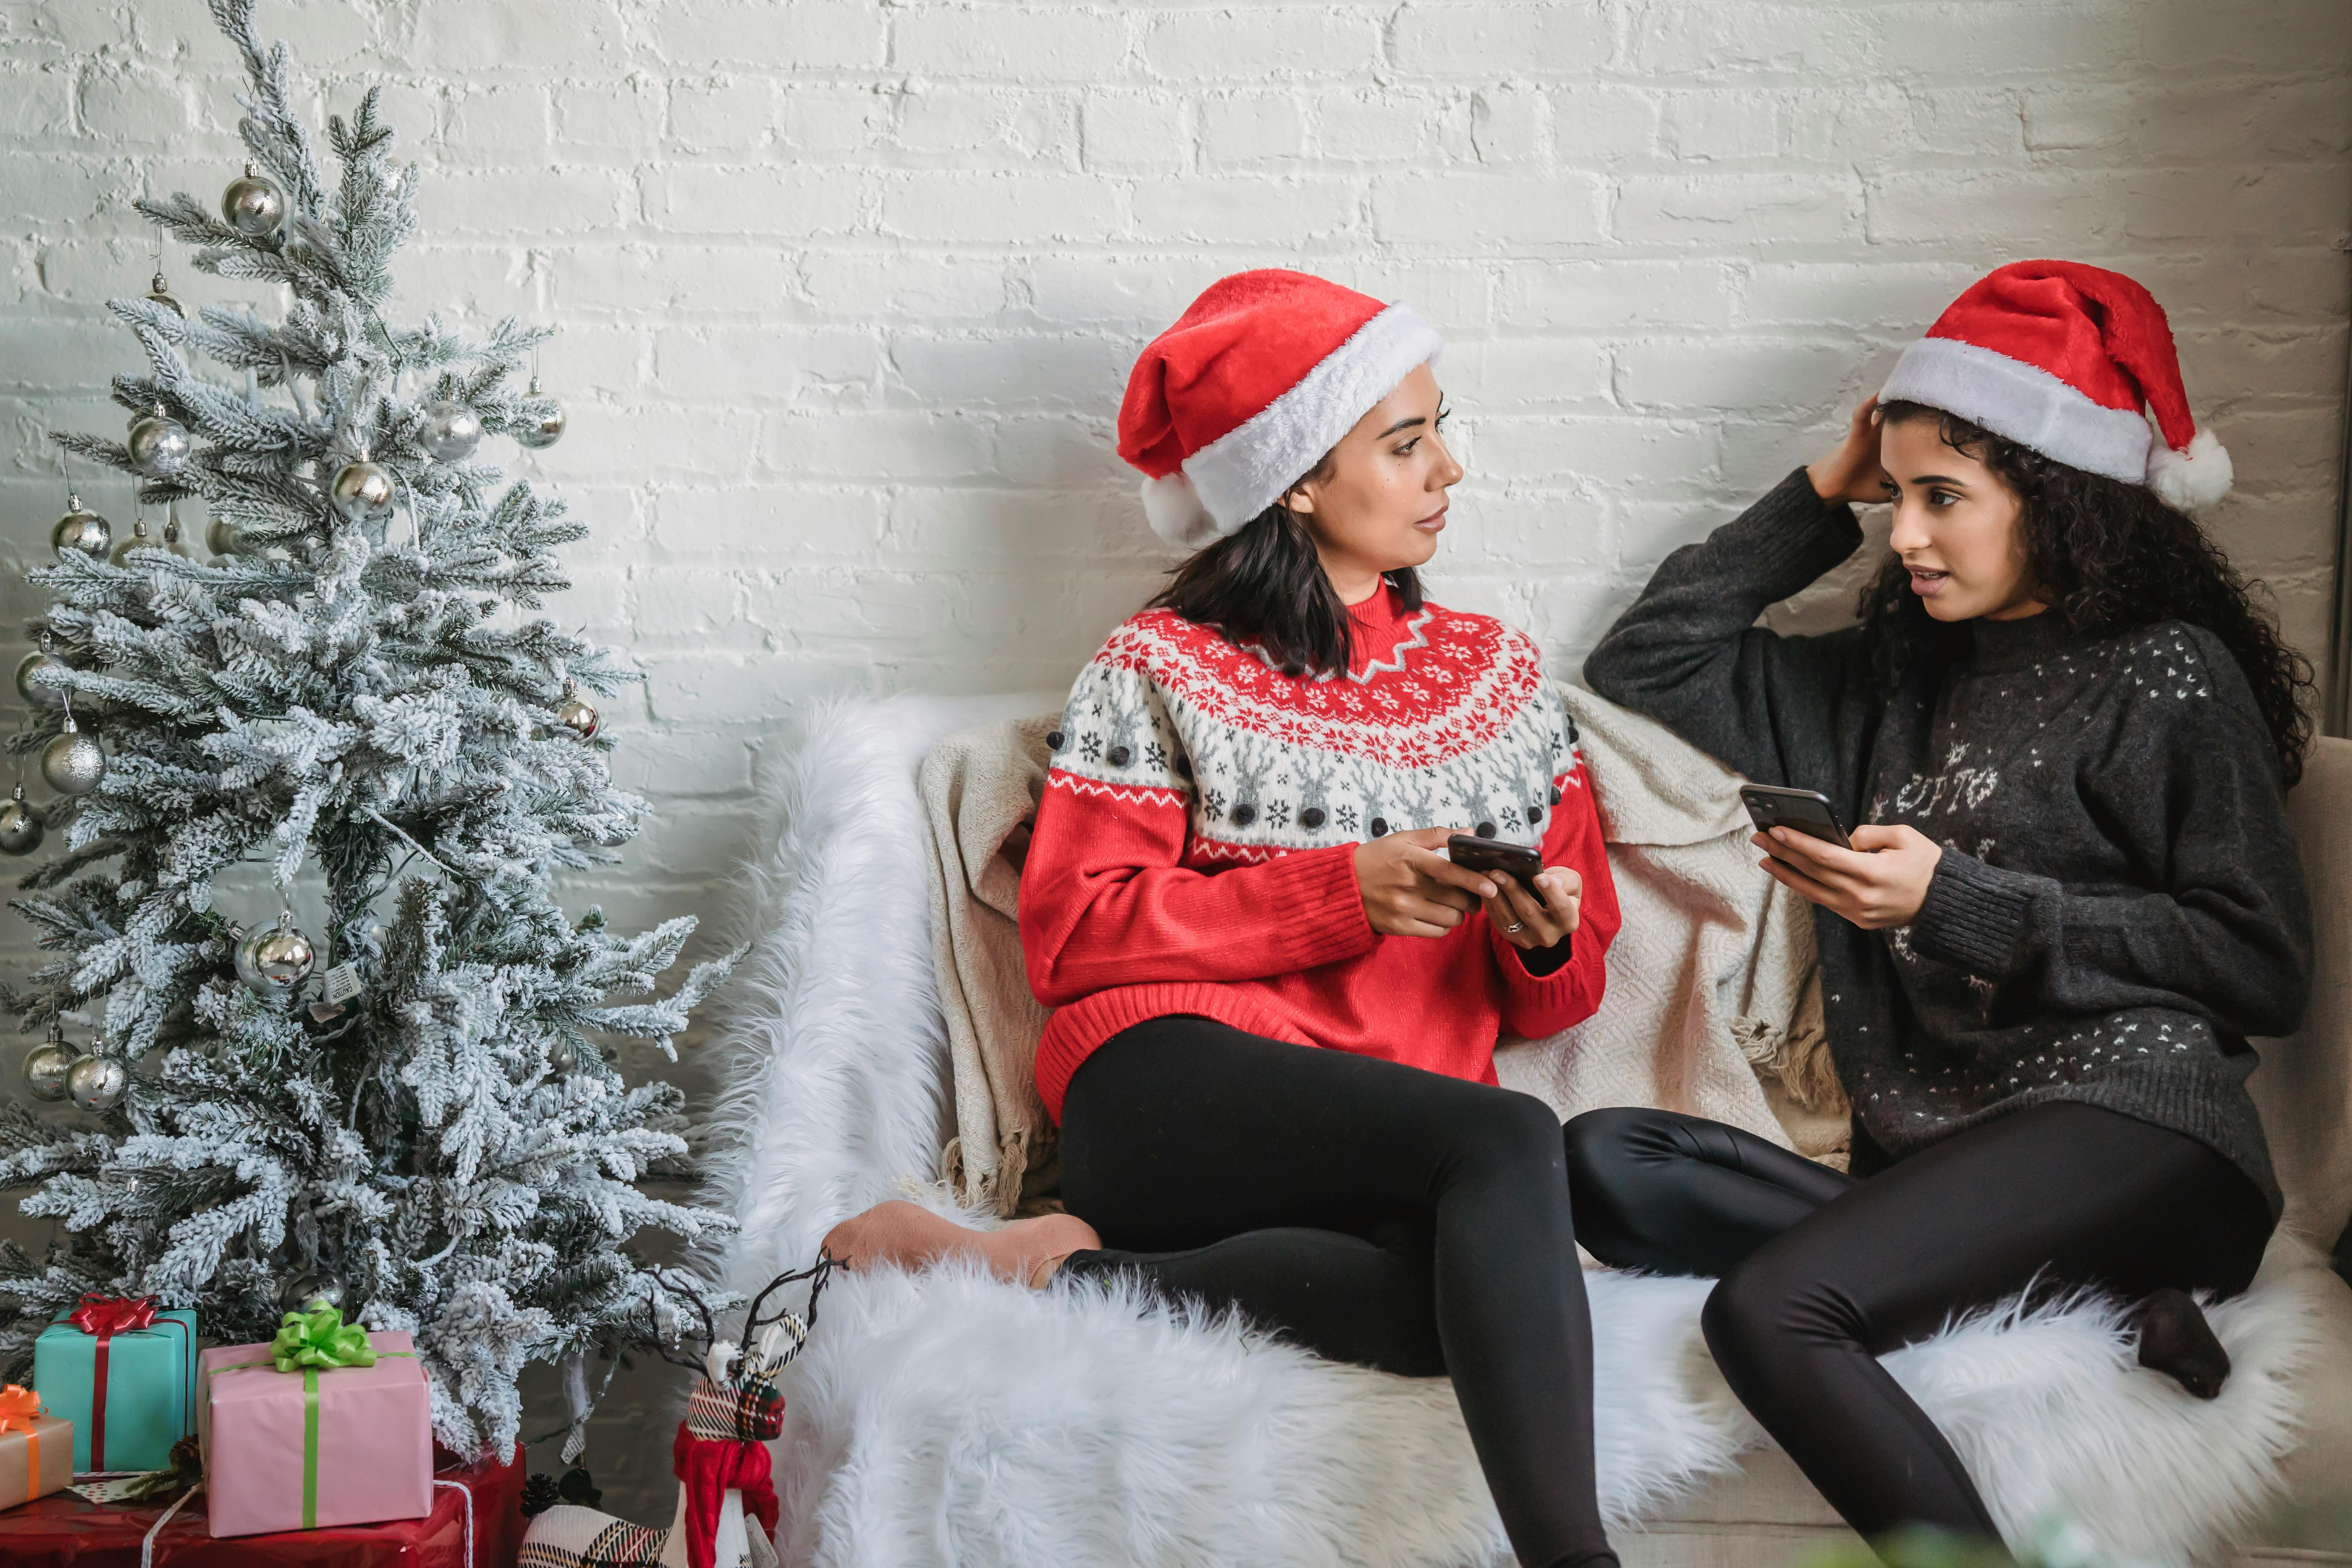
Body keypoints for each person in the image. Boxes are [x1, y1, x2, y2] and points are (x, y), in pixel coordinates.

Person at [824, 269, 1625, 1568]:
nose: (1449, 469)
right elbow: (1073, 935)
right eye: (1406, 442)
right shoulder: (1162, 667)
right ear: (1297, 480)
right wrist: (1340, 894)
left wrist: (1541, 939)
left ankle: (1030, 1268)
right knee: (1511, 1145)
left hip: (1390, 1129)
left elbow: (1567, 992)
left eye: (1442, 430)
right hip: (1171, 1086)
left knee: (1470, 1297)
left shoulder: (1506, 679)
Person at [1571, 259, 2315, 1549]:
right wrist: (1822, 491)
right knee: (1607, 1164)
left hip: (2140, 1125)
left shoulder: (2164, 676)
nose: (1904, 535)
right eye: (1897, 496)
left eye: (1944, 498)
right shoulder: (1887, 684)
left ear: (2061, 499)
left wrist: (1957, 902)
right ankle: (2113, 1296)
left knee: (1769, 1312)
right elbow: (1652, 656)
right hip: (1946, 1161)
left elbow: (2261, 965)